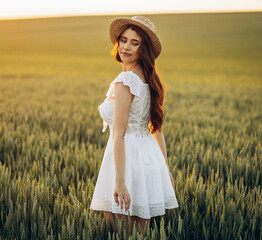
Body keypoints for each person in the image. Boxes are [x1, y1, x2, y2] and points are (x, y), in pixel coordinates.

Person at [90, 16, 179, 236]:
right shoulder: (149, 78)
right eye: (123, 40)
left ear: (144, 48)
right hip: (148, 159)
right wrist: (164, 169)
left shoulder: (126, 81)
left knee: (121, 232)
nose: (126, 47)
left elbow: (119, 135)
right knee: (138, 233)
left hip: (126, 162)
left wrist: (119, 182)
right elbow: (156, 130)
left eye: (134, 42)